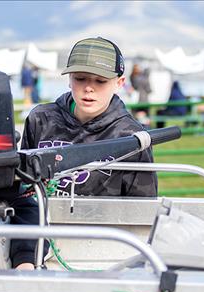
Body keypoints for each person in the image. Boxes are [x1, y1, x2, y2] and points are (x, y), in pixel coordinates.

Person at [21, 37, 157, 197]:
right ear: (69, 79)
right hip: (42, 219)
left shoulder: (133, 138)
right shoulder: (40, 119)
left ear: (119, 83)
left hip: (101, 221)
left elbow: (143, 208)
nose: (88, 88)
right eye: (80, 78)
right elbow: (23, 185)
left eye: (100, 81)